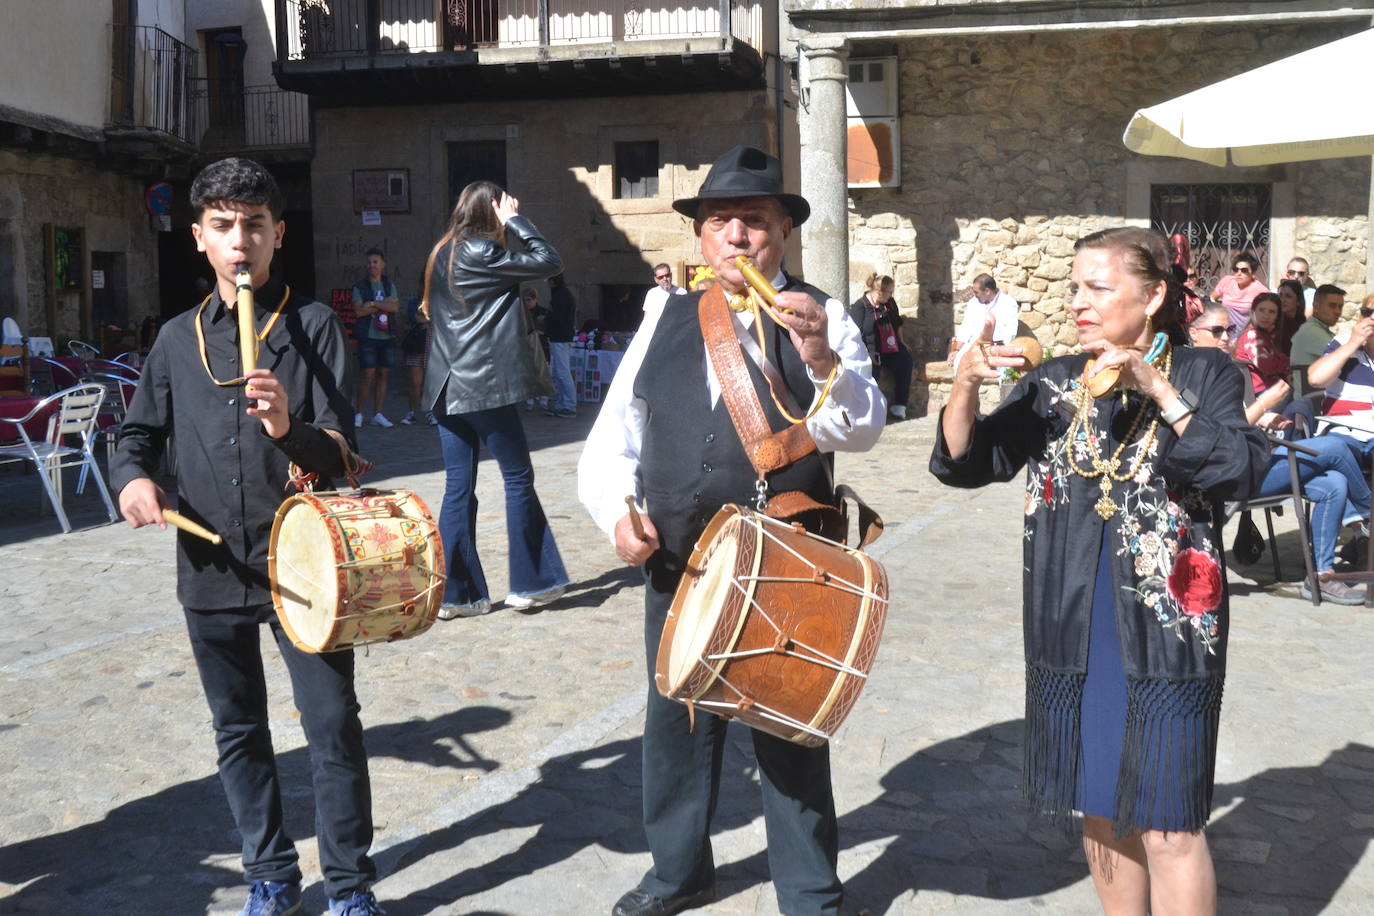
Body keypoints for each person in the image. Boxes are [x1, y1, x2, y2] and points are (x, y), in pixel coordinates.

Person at [577, 145, 884, 916]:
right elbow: (616, 432)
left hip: (786, 561)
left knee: (788, 723)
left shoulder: (823, 315)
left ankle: (810, 890)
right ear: (701, 238)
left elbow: (862, 426)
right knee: (676, 722)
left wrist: (818, 357)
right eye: (721, 223)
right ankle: (679, 873)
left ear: (783, 231)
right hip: (679, 558)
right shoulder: (665, 316)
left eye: (754, 221)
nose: (737, 238)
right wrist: (618, 512)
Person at [931, 226, 1266, 916]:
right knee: (1101, 809)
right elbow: (968, 462)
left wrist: (1158, 388)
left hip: (1168, 630)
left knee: (1170, 821)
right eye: (1075, 286)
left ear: (1152, 296)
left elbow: (1239, 468)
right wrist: (963, 388)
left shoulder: (1205, 374)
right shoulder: (1054, 382)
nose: (1079, 301)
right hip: (1073, 625)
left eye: (1098, 287)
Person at [111, 158, 383, 916]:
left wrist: (287, 428)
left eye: (255, 227)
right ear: (200, 239)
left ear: (277, 235)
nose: (241, 243)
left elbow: (344, 455)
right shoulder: (174, 340)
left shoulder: (316, 326)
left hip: (306, 566)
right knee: (239, 730)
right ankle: (270, 874)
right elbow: (134, 437)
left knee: (331, 727)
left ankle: (352, 888)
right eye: (225, 227)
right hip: (209, 567)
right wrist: (134, 480)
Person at [420, 180, 570, 619]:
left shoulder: (442, 252)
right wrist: (517, 221)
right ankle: (530, 583)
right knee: (518, 477)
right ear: (492, 212)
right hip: (481, 385)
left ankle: (457, 595)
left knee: (457, 487)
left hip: (446, 386)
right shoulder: (479, 251)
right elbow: (550, 260)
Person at [1189, 306, 1367, 604]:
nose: (1225, 338)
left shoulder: (1225, 368)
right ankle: (1367, 513)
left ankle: (1321, 576)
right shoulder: (1192, 370)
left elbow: (1234, 418)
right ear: (1193, 333)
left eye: (1229, 331)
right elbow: (1208, 433)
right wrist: (1263, 405)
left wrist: (1263, 418)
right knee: (1335, 447)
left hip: (1256, 459)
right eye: (1216, 331)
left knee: (1334, 482)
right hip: (1233, 473)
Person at [1308, 292, 1374, 460]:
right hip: (1343, 432)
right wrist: (1354, 343)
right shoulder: (1344, 343)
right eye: (1367, 312)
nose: (1372, 318)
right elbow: (1316, 379)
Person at [847, 272, 913, 420]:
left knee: (905, 361)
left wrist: (902, 342)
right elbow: (854, 332)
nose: (890, 295)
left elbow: (898, 323)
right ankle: (869, 412)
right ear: (879, 291)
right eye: (889, 292)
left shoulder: (889, 303)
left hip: (890, 348)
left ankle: (899, 406)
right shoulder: (861, 306)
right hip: (870, 349)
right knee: (872, 370)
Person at [351, 248, 400, 428]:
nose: (372, 265)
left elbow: (395, 307)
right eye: (369, 262)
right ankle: (359, 414)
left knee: (383, 375)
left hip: (386, 336)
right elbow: (358, 311)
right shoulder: (360, 286)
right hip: (368, 336)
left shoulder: (389, 285)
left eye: (375, 262)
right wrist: (383, 305)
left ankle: (378, 413)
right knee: (367, 375)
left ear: (383, 265)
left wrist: (371, 303)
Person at [949, 273, 1018, 367]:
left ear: (987, 291)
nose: (974, 295)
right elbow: (966, 327)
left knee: (1006, 369)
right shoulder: (973, 302)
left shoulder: (1008, 303)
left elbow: (1010, 331)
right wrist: (956, 350)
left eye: (976, 292)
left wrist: (1001, 349)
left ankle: (1007, 381)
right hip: (973, 344)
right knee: (958, 362)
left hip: (997, 346)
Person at [1290, 284, 1347, 393]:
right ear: (1316, 307)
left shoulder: (1320, 330)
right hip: (1313, 401)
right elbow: (1346, 360)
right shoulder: (1311, 332)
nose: (1337, 312)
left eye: (1340, 306)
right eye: (1332, 306)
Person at [1233, 292, 1290, 396]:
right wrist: (1286, 363)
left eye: (1272, 312)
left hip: (1270, 388)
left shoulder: (1266, 335)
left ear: (1277, 317)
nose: (1266, 315)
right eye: (1261, 310)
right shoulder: (1251, 335)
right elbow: (1266, 365)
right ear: (1252, 312)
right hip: (1258, 394)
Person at [1210, 251, 1269, 335]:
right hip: (1225, 333)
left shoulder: (1260, 290)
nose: (1239, 273)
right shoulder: (1227, 281)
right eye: (1236, 269)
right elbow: (1211, 298)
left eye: (1244, 270)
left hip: (1246, 334)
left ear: (1253, 273)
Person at [398, 293, 436, 426]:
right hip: (419, 340)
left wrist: (428, 317)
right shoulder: (415, 298)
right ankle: (412, 412)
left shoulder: (441, 296)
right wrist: (432, 317)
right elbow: (416, 317)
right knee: (415, 382)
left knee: (433, 382)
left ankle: (431, 412)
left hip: (435, 341)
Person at [544, 273, 577, 418]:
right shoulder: (558, 294)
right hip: (557, 337)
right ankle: (560, 404)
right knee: (558, 373)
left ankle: (569, 405)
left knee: (563, 373)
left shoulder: (562, 295)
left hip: (561, 338)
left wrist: (547, 321)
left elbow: (559, 317)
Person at [1275, 278, 1305, 355]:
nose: (1282, 300)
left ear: (1298, 301)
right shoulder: (1272, 321)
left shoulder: (1302, 323)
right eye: (1280, 295)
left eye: (1288, 296)